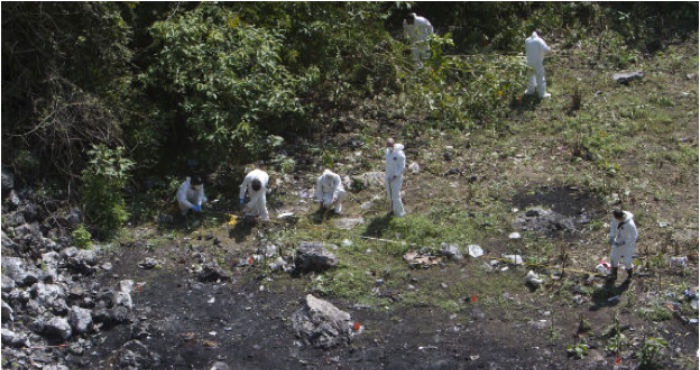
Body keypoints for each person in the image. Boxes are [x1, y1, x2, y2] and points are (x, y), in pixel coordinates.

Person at [607, 209, 638, 282]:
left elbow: (634, 236)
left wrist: (625, 242)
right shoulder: (615, 218)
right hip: (618, 240)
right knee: (613, 257)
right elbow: (613, 226)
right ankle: (614, 275)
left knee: (626, 261)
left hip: (628, 244)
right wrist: (612, 236)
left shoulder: (630, 224)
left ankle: (630, 275)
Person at [524, 31, 552, 99]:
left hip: (529, 62)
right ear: (539, 35)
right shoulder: (540, 40)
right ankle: (542, 94)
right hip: (537, 62)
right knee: (540, 78)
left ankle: (530, 91)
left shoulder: (527, 40)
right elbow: (547, 50)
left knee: (530, 77)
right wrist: (550, 48)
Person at [385, 138, 406, 217]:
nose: (388, 147)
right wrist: (388, 175)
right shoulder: (387, 152)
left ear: (393, 144)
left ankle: (400, 214)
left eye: (390, 145)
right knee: (389, 194)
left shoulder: (399, 154)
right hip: (388, 176)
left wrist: (395, 175)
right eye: (387, 145)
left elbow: (402, 167)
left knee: (395, 196)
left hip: (396, 177)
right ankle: (392, 210)